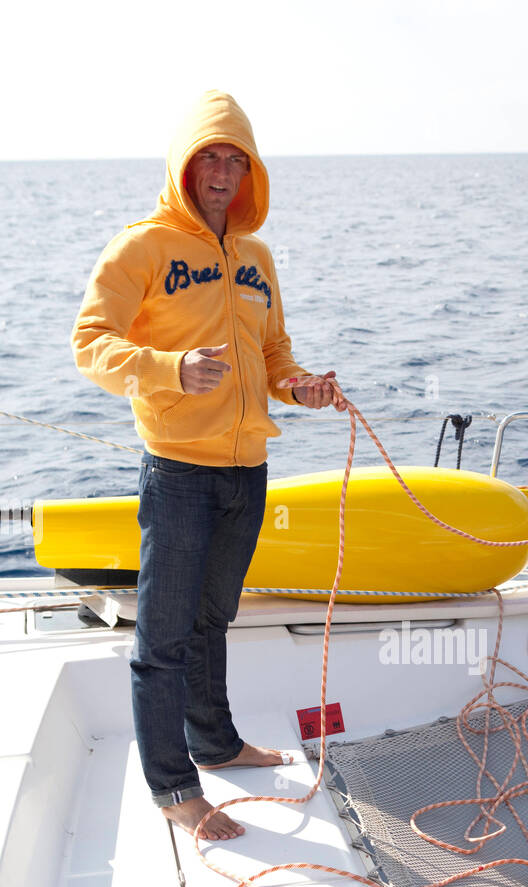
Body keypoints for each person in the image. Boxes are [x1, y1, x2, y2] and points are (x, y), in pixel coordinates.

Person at [72, 91, 346, 841]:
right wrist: (168, 368)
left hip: (247, 471)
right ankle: (174, 788)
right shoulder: (143, 247)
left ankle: (216, 743)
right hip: (180, 475)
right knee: (161, 641)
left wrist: (302, 388)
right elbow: (90, 341)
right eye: (209, 157)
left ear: (250, 170)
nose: (222, 171)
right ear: (184, 164)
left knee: (211, 620)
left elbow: (273, 353)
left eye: (235, 158)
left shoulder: (256, 257)